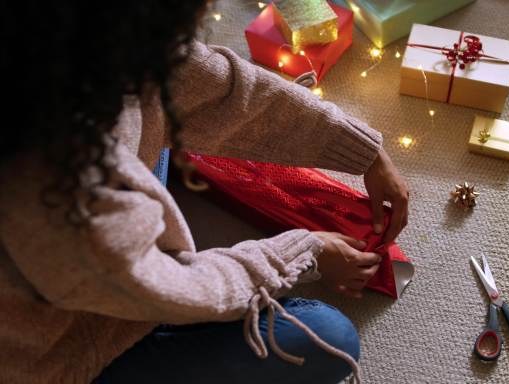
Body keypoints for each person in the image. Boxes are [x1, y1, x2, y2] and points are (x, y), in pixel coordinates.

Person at [0, 1, 409, 383]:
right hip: (61, 353)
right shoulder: (57, 190)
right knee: (330, 338)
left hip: (94, 234)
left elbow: (208, 82)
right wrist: (309, 251)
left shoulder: (74, 38)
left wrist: (363, 150)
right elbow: (186, 291)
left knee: (182, 115)